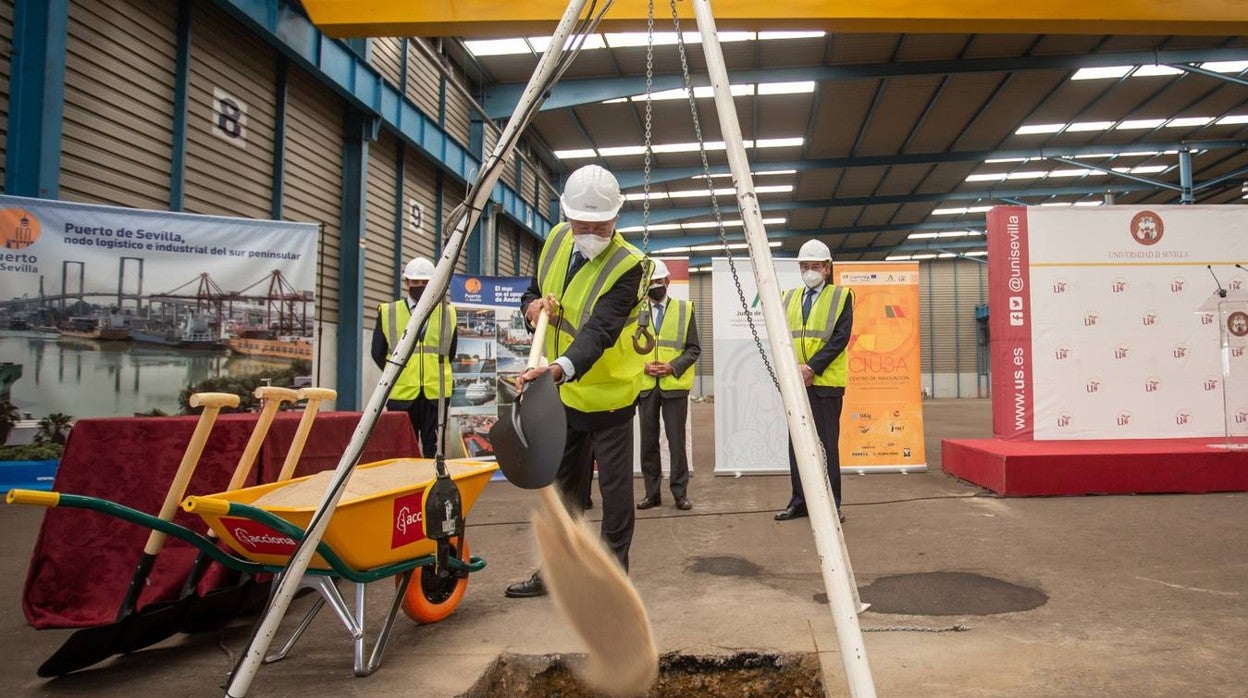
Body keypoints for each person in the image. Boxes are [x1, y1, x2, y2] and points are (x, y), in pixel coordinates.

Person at [505, 164, 647, 599]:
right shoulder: (554, 241)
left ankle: (612, 577)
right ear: (566, 217)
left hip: (608, 395)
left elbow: (600, 331)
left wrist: (557, 368)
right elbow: (532, 289)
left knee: (614, 490)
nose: (588, 233)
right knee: (563, 487)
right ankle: (556, 573)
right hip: (564, 394)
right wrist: (531, 306)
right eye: (579, 224)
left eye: (598, 226)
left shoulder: (630, 266)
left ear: (615, 218)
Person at [774, 239, 853, 524]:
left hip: (826, 383)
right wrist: (795, 370)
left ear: (827, 268)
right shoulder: (788, 297)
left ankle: (832, 504)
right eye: (805, 266)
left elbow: (839, 339)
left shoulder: (842, 297)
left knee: (826, 445)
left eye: (815, 266)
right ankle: (800, 502)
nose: (810, 271)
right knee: (797, 443)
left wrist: (811, 368)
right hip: (797, 382)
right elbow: (782, 337)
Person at [371, 256, 458, 458]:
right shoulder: (388, 312)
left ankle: (430, 487)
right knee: (401, 451)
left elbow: (450, 353)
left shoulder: (448, 313)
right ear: (406, 282)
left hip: (435, 394)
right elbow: (378, 353)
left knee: (434, 451)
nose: (420, 286)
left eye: (425, 283)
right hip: (401, 395)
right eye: (416, 282)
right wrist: (399, 375)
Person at [636, 258, 700, 511]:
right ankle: (652, 494)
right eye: (650, 283)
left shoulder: (685, 309)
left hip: (674, 386)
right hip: (646, 386)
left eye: (658, 281)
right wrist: (643, 366)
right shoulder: (635, 312)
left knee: (676, 442)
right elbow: (627, 350)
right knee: (648, 442)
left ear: (668, 282)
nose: (654, 286)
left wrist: (673, 366)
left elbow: (694, 348)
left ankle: (679, 493)